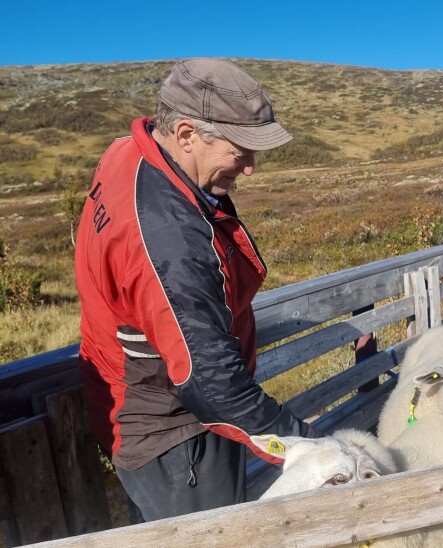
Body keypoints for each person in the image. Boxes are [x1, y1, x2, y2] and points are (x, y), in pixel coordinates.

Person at [74, 58, 316, 521]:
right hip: (176, 432)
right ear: (186, 134)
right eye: (240, 149)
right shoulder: (170, 241)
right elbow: (211, 384)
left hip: (139, 403)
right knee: (211, 534)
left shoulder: (129, 150)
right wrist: (307, 443)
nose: (250, 169)